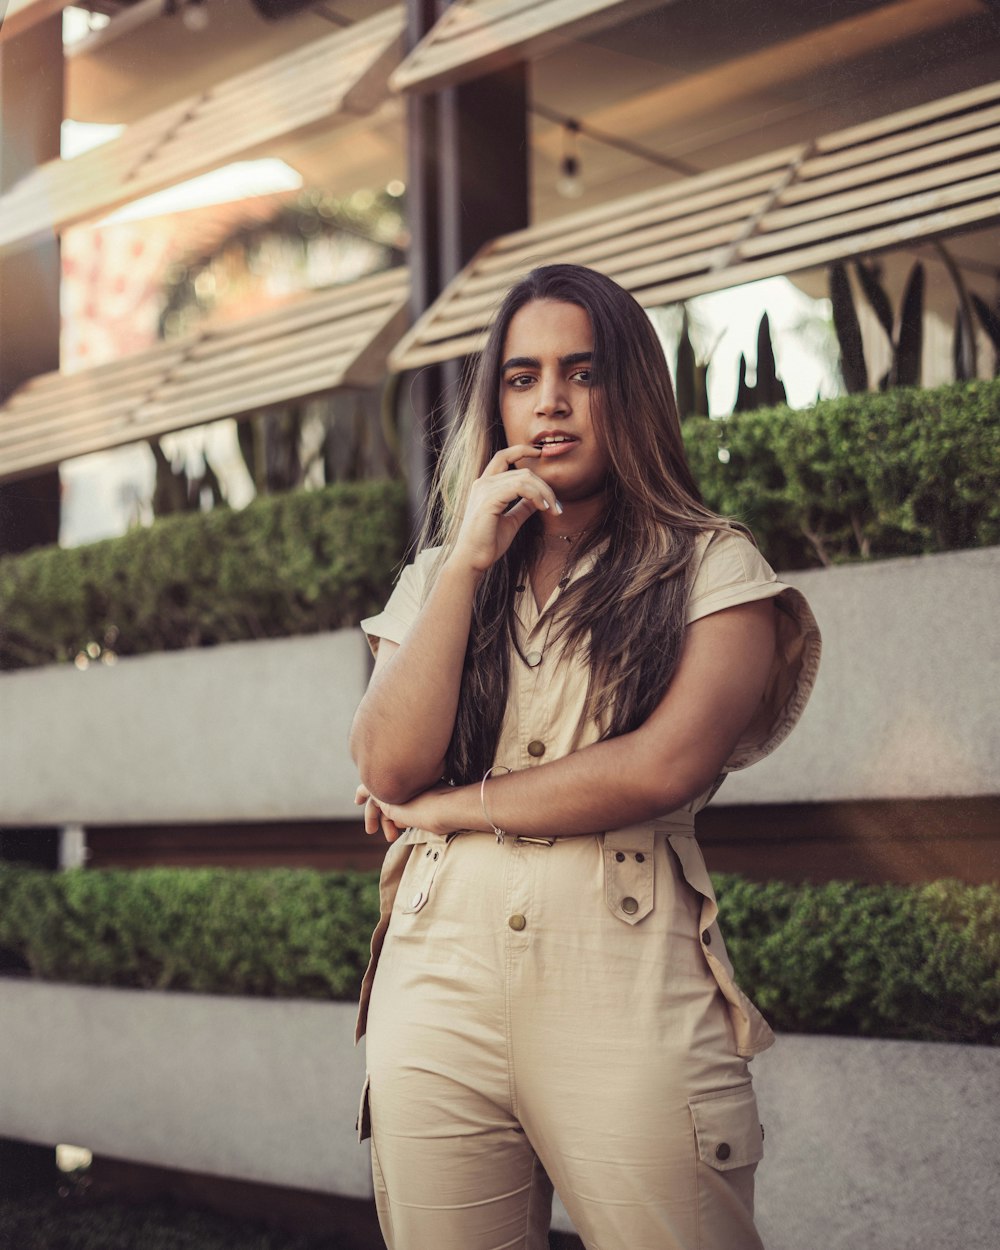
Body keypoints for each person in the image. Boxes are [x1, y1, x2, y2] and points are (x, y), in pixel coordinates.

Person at [350, 264, 821, 1250]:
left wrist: (451, 805)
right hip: (436, 975)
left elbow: (660, 767)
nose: (549, 401)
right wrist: (467, 561)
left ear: (631, 390)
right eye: (521, 377)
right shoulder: (440, 573)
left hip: (625, 973)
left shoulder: (712, 563)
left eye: (581, 370)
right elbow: (388, 764)